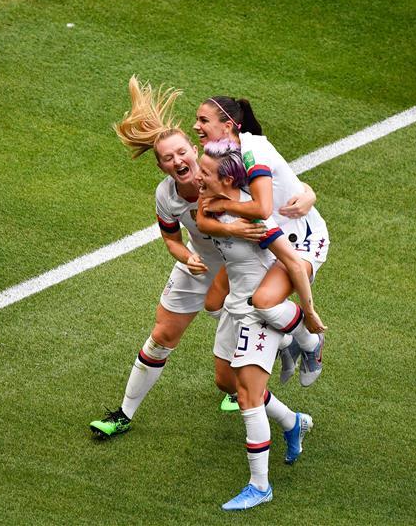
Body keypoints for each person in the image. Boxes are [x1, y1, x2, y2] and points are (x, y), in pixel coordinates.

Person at [90, 77, 270, 439]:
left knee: (229, 379)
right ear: (162, 167)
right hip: (200, 265)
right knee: (161, 335)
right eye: (168, 158)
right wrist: (187, 257)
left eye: (182, 152)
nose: (178, 160)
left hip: (243, 269)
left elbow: (273, 194)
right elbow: (171, 240)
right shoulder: (166, 195)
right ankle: (123, 414)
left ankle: (277, 382)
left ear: (193, 148)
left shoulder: (228, 167)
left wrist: (307, 195)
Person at [198, 140, 326, 511]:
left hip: (258, 314)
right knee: (227, 382)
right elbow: (230, 260)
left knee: (249, 398)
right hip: (236, 308)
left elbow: (292, 261)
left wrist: (309, 311)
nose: (199, 177)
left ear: (226, 179)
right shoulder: (214, 205)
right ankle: (292, 422)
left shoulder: (254, 218)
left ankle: (259, 486)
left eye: (206, 173)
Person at [194, 96, 330, 386]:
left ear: (228, 125)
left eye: (203, 120)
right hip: (266, 240)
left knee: (263, 302)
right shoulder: (219, 156)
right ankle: (283, 342)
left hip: (301, 242)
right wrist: (230, 229)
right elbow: (203, 215)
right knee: (215, 303)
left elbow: (262, 209)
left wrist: (226, 208)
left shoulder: (252, 151)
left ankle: (308, 341)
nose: (196, 126)